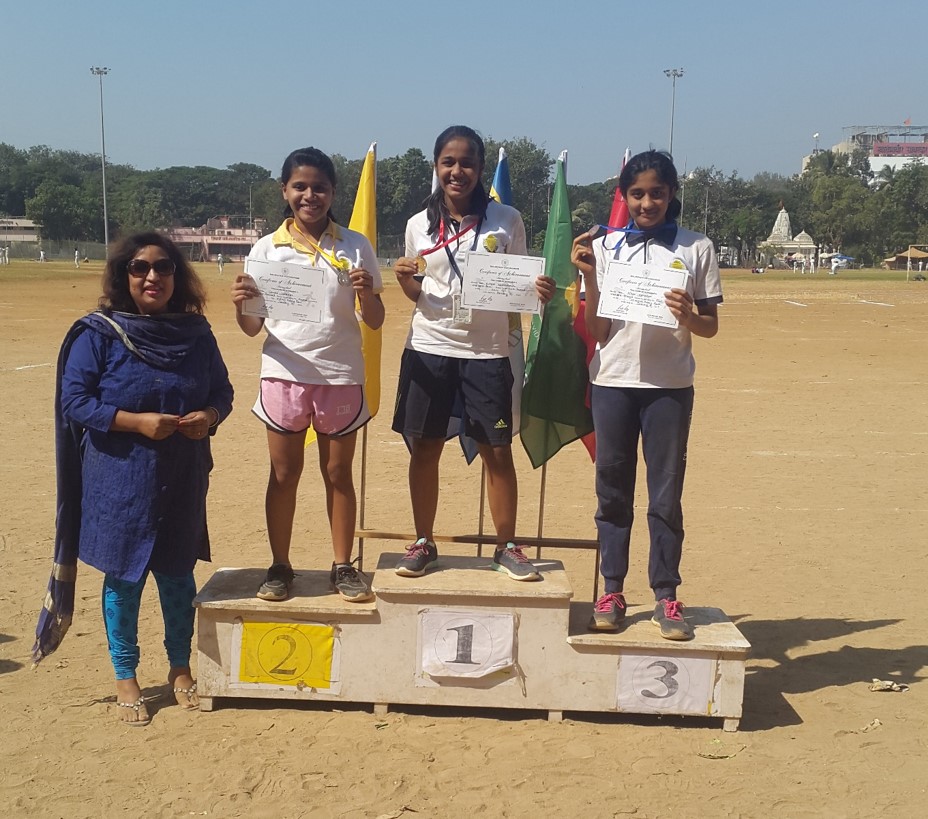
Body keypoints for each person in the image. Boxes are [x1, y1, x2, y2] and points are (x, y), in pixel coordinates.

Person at [42, 232, 233, 726]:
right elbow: (76, 401)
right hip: (120, 478)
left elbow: (223, 391)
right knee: (124, 578)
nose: (152, 276)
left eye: (163, 267)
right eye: (140, 267)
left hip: (182, 474)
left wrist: (208, 416)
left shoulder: (196, 333)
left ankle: (180, 668)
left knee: (176, 574)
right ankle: (125, 675)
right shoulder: (99, 333)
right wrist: (135, 421)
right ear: (124, 275)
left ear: (178, 274)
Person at [391, 125, 556, 581]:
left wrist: (537, 288)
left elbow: (521, 285)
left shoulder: (507, 220)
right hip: (429, 349)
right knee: (423, 449)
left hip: (487, 353)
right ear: (436, 167)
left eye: (467, 162)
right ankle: (424, 541)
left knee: (497, 452)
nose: (457, 171)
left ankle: (506, 546)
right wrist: (406, 278)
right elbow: (415, 291)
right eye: (448, 162)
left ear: (481, 169)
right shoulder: (417, 225)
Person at [571, 149, 722, 641]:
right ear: (624, 196)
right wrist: (590, 277)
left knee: (665, 495)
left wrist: (687, 316)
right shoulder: (605, 246)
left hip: (668, 389)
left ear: (671, 193)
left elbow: (710, 327)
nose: (647, 202)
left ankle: (666, 595)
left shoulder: (697, 247)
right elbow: (596, 329)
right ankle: (611, 589)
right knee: (612, 492)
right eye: (637, 193)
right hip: (613, 383)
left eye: (657, 192)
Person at [231, 147, 384, 604]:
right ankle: (280, 565)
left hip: (339, 374)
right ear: (285, 191)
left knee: (338, 472)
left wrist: (365, 294)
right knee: (284, 473)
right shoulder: (266, 249)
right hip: (284, 372)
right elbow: (251, 327)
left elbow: (375, 319)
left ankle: (343, 566)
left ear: (333, 192)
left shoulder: (355, 245)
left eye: (319, 187)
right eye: (300, 186)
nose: (310, 195)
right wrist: (242, 303)